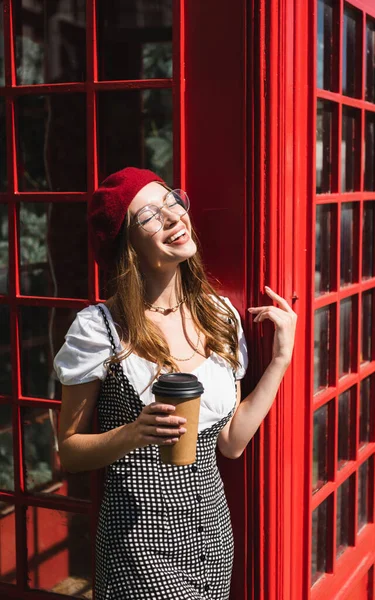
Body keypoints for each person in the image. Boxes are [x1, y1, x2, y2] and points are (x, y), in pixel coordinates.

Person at [53, 167, 297, 600]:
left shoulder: (219, 315)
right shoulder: (99, 330)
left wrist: (280, 359)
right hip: (138, 545)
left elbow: (231, 442)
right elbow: (69, 451)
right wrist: (133, 433)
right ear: (126, 244)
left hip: (213, 541)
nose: (172, 217)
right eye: (148, 215)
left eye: (172, 201)